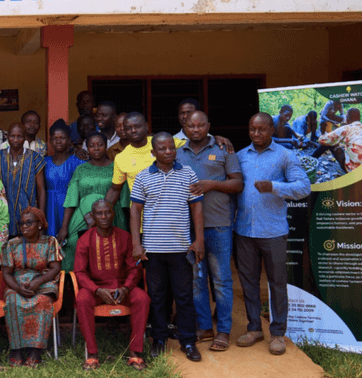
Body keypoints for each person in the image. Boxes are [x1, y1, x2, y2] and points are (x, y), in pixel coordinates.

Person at [235, 113, 311, 356]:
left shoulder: (285, 155)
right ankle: (255, 328)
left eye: (262, 130)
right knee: (248, 282)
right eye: (252, 129)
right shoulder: (240, 156)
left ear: (272, 129)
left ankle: (278, 333)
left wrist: (274, 187)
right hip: (245, 230)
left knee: (277, 283)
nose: (256, 134)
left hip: (273, 232)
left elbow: (303, 188)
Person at [130, 132, 205, 362]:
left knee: (184, 296)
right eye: (162, 149)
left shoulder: (188, 174)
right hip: (152, 250)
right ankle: (159, 339)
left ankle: (188, 341)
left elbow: (197, 208)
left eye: (171, 148)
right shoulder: (143, 177)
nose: (168, 152)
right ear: (153, 153)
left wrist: (199, 239)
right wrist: (136, 244)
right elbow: (134, 210)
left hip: (181, 248)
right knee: (157, 296)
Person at [177, 111, 244, 351]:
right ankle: (204, 327)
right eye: (190, 125)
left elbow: (238, 183)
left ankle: (224, 330)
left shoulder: (224, 149)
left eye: (200, 125)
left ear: (209, 126)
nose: (195, 129)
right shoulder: (177, 153)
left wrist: (211, 184)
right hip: (188, 227)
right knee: (196, 280)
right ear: (184, 127)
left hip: (218, 224)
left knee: (222, 279)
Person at [74, 199, 149, 371]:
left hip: (122, 288)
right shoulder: (85, 240)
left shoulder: (125, 237)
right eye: (99, 213)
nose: (104, 216)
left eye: (107, 212)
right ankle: (92, 355)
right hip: (96, 289)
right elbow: (80, 272)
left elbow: (134, 268)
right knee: (82, 300)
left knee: (142, 298)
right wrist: (97, 290)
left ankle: (135, 353)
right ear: (92, 216)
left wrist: (126, 287)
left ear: (113, 214)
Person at [1, 207, 63, 367]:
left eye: (29, 223)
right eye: (21, 223)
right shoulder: (11, 244)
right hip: (17, 283)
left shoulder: (50, 242)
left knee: (42, 301)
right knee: (13, 301)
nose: (24, 226)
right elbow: (7, 273)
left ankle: (36, 351)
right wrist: (18, 288)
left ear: (40, 224)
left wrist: (38, 282)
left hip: (44, 282)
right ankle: (16, 350)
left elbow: (56, 268)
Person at [59, 132, 127, 272]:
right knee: (73, 243)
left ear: (106, 146)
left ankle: (111, 282)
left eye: (100, 145)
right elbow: (71, 199)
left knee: (110, 248)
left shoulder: (117, 166)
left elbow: (123, 195)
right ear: (87, 148)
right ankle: (74, 282)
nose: (96, 149)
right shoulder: (81, 169)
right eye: (92, 146)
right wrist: (64, 227)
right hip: (83, 216)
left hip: (110, 216)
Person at [0, 123, 46, 237]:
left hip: (28, 216)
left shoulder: (35, 158)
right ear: (7, 137)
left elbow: (41, 189)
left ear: (24, 137)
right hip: (3, 214)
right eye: (12, 136)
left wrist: (41, 215)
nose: (15, 139)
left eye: (19, 136)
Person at [44, 120, 84, 238]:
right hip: (50, 208)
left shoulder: (78, 162)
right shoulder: (44, 162)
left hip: (71, 207)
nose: (58, 141)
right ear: (50, 140)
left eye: (62, 138)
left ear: (69, 140)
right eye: (55, 138)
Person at [318, 107, 362, 172]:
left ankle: (312, 158)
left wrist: (325, 134)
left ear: (347, 118)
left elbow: (322, 140)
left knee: (330, 141)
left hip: (354, 171)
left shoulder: (346, 128)